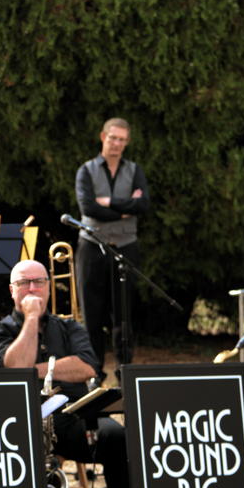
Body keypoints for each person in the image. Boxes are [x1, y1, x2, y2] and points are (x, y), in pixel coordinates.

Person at [0, 259, 131, 488]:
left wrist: (35, 369)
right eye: (24, 283)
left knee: (117, 436)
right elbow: (15, 366)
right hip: (20, 425)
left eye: (39, 282)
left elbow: (87, 367)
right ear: (12, 290)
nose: (32, 289)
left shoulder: (69, 328)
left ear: (49, 288)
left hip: (71, 418)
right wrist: (30, 319)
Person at [75, 117, 150, 367]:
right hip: (92, 246)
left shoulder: (134, 170)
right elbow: (88, 207)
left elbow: (143, 205)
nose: (116, 143)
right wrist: (125, 209)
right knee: (92, 314)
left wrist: (107, 202)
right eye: (113, 138)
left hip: (126, 247)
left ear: (127, 143)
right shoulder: (86, 170)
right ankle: (93, 370)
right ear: (102, 137)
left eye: (122, 140)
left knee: (124, 314)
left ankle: (124, 370)